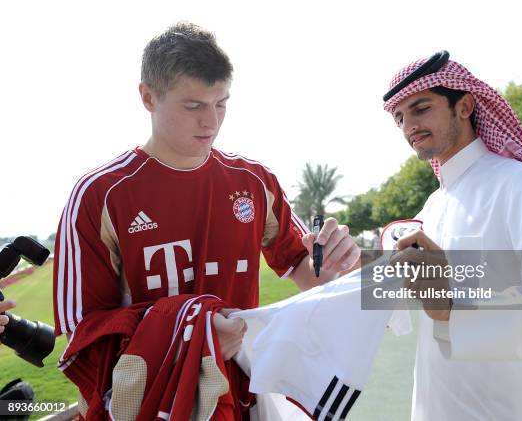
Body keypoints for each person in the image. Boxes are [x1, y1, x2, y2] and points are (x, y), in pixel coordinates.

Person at [52, 22, 359, 419]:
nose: (211, 121)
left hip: (241, 399)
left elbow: (304, 269)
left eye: (222, 103)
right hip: (148, 402)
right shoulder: (100, 194)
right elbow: (84, 336)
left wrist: (329, 262)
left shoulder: (254, 181)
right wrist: (192, 333)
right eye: (194, 106)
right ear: (148, 97)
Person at [382, 52, 522, 420]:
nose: (409, 126)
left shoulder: (520, 185)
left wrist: (456, 306)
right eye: (400, 117)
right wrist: (340, 270)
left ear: (465, 105)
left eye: (421, 108)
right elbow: (396, 302)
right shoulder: (433, 207)